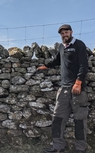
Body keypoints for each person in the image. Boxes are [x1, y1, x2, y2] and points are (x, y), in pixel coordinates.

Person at [38, 24, 89, 153]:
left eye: (66, 32)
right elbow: (57, 60)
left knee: (80, 120)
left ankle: (80, 149)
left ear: (71, 32)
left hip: (77, 89)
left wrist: (78, 83)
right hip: (64, 89)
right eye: (62, 33)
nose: (64, 35)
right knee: (57, 118)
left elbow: (84, 65)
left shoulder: (79, 45)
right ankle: (57, 147)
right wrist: (46, 66)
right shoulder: (61, 47)